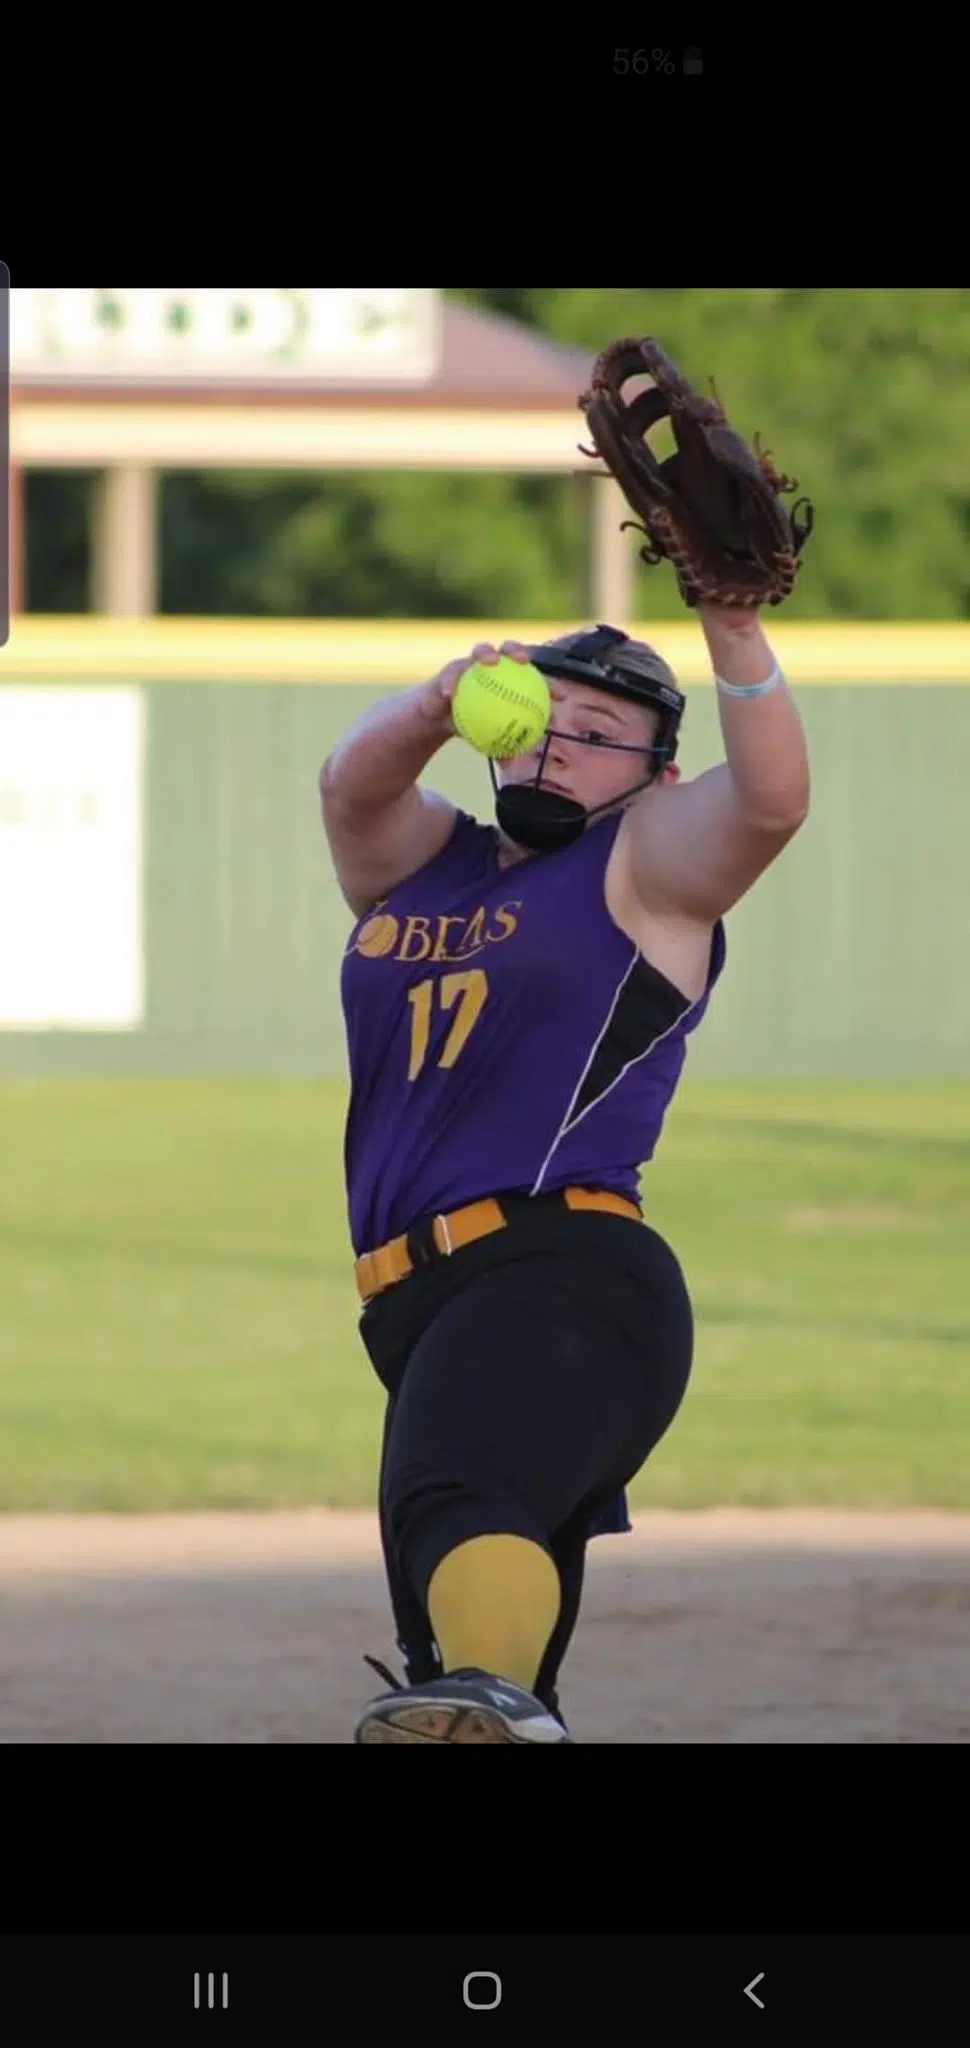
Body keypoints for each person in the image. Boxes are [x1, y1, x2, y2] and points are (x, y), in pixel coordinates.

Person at [320, 601, 810, 1743]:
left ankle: (496, 1692)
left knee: (457, 1504)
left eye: (597, 732)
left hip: (564, 1268)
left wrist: (733, 630)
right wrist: (441, 701)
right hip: (420, 1301)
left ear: (657, 775)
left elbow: (772, 802)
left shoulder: (644, 864)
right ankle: (502, 1696)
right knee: (446, 1642)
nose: (557, 748)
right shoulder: (425, 864)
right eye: (546, 721)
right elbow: (351, 789)